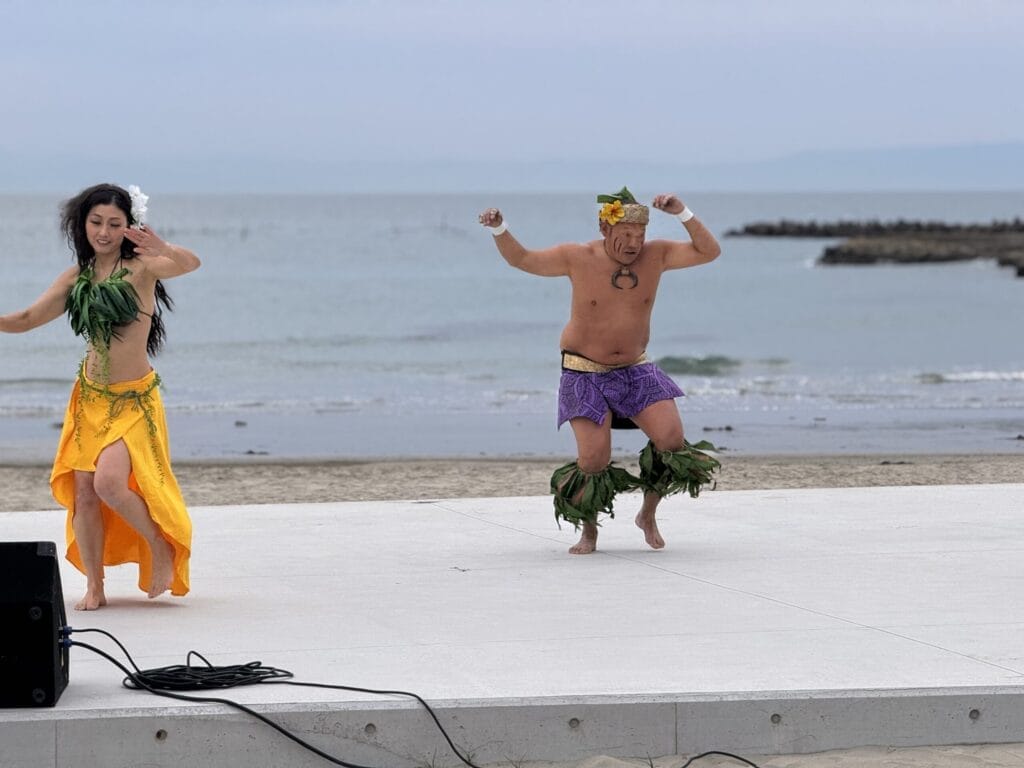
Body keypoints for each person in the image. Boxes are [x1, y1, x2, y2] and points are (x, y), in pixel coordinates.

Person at [478, 187, 722, 554]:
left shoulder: (656, 255)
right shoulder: (578, 257)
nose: (634, 244)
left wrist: (682, 212)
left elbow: (709, 251)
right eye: (626, 235)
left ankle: (647, 514)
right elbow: (522, 259)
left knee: (672, 441)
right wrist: (499, 227)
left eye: (640, 235)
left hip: (634, 369)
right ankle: (589, 530)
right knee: (594, 459)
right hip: (583, 371)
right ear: (605, 229)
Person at [0, 183, 200, 609]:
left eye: (114, 223)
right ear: (83, 224)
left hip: (133, 401)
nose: (104, 232)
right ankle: (96, 585)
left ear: (130, 226)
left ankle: (158, 544)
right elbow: (28, 318)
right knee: (85, 494)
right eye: (96, 222)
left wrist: (162, 246)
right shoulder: (77, 277)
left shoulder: (143, 267)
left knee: (109, 482)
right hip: (90, 399)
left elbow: (190, 264)